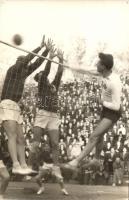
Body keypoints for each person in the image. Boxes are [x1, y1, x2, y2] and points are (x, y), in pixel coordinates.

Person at [0, 35, 53, 175]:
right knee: (11, 135)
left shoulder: (23, 73)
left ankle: (23, 165)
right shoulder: (12, 70)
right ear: (18, 63)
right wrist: (40, 47)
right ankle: (16, 164)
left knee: (21, 139)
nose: (26, 66)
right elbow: (29, 60)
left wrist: (46, 52)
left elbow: (36, 64)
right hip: (6, 103)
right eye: (23, 62)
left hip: (15, 107)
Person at [64, 52, 122, 170]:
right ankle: (96, 159)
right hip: (106, 109)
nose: (96, 64)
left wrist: (101, 101)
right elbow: (84, 70)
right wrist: (65, 64)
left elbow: (116, 106)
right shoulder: (102, 73)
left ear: (104, 67)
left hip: (114, 111)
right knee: (100, 136)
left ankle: (76, 161)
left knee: (94, 136)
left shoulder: (115, 82)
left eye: (99, 63)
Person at [29, 48, 64, 180]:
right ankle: (28, 166)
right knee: (36, 142)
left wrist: (60, 59)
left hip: (53, 115)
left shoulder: (53, 85)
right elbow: (46, 72)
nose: (44, 77)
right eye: (42, 75)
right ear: (39, 79)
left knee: (55, 143)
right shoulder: (42, 85)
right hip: (43, 113)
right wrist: (50, 58)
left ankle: (56, 167)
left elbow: (59, 73)